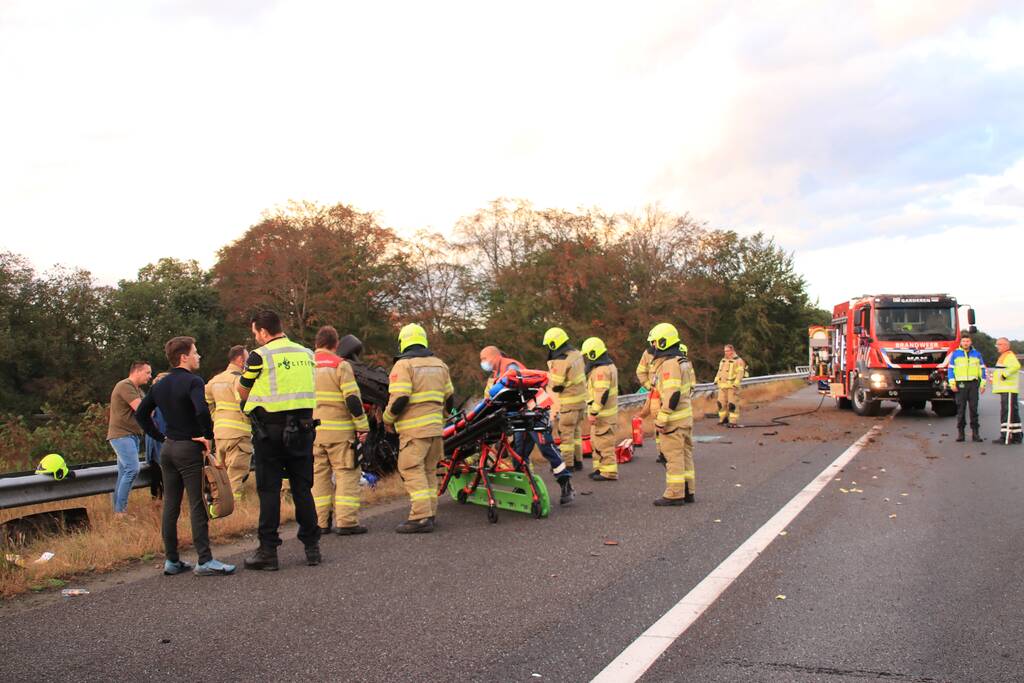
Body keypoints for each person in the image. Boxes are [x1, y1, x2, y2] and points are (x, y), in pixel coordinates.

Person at [135, 337, 235, 576]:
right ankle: (205, 560)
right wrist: (207, 435)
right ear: (184, 357)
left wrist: (159, 437)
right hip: (189, 447)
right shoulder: (193, 381)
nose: (198, 356)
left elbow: (141, 414)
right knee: (197, 502)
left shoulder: (160, 385)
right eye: (195, 352)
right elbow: (201, 410)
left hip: (168, 449)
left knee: (171, 504)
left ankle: (172, 560)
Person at [238, 310, 322, 570]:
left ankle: (268, 552)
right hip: (303, 429)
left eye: (255, 333)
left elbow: (242, 389)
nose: (256, 338)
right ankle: (312, 548)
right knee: (302, 489)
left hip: (270, 432)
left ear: (263, 332)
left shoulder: (259, 356)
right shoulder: (307, 353)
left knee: (269, 490)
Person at [479, 345, 575, 504]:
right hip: (521, 416)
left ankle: (566, 484)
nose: (483, 362)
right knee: (519, 452)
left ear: (495, 356)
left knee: (546, 447)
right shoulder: (497, 373)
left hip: (535, 412)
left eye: (484, 358)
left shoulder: (511, 368)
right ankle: (523, 486)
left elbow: (513, 392)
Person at [384, 323, 453, 533]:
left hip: (414, 433)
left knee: (411, 470)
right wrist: (442, 418)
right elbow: (450, 399)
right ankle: (430, 513)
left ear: (403, 342)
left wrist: (388, 419)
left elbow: (401, 398)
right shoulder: (440, 365)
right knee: (429, 471)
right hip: (435, 431)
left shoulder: (403, 365)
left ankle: (420, 518)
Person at [313, 325, 370, 535]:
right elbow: (352, 400)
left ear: (317, 343)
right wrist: (362, 426)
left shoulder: (306, 365)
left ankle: (320, 522)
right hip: (340, 434)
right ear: (336, 344)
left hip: (314, 434)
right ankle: (346, 522)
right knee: (347, 473)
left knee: (319, 477)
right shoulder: (340, 365)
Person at [647, 323, 696, 506]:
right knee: (685, 456)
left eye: (655, 342)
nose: (653, 346)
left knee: (673, 458)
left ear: (663, 342)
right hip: (685, 418)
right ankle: (688, 491)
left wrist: (662, 418)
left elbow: (672, 393)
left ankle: (675, 494)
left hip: (673, 421)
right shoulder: (682, 361)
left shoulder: (669, 364)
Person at [205, 346, 253, 500]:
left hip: (220, 434)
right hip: (238, 434)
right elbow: (245, 404)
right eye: (247, 359)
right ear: (240, 360)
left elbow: (206, 401)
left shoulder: (215, 380)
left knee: (222, 477)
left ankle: (220, 506)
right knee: (236, 476)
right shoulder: (239, 379)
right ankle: (236, 508)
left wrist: (215, 416)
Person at [107, 360, 151, 514]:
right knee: (132, 469)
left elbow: (150, 411)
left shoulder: (138, 390)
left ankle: (117, 511)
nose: (149, 376)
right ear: (137, 371)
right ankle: (120, 512)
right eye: (147, 372)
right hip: (122, 435)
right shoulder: (125, 385)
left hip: (132, 435)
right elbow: (142, 409)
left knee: (124, 472)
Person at [543, 327, 588, 471]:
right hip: (581, 402)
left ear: (553, 344)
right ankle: (578, 461)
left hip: (569, 403)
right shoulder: (576, 354)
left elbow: (556, 384)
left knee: (566, 434)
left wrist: (547, 377)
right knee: (576, 432)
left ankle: (568, 465)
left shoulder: (561, 360)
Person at [581, 337, 619, 481]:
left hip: (603, 416)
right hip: (603, 415)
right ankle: (600, 469)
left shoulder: (601, 370)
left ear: (593, 354)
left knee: (605, 444)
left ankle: (609, 472)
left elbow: (602, 393)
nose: (587, 359)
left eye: (587, 355)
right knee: (597, 442)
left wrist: (593, 412)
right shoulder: (607, 366)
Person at [948, 334, 987, 442]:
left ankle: (975, 434)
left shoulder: (977, 354)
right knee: (961, 410)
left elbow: (982, 370)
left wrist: (983, 385)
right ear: (961, 342)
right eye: (964, 341)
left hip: (973, 384)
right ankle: (961, 434)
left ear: (971, 342)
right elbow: (951, 370)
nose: (965, 343)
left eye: (967, 341)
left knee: (974, 409)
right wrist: (952, 384)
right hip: (960, 384)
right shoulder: (955, 354)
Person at [144, 372, 170, 500]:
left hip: (153, 445)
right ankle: (160, 499)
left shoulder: (151, 401)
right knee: (164, 474)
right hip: (161, 444)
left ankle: (157, 499)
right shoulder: (164, 403)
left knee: (156, 475)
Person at [990, 337, 1021, 445]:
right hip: (1006, 389)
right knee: (1013, 413)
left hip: (1008, 389)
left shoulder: (1009, 356)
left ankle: (1006, 437)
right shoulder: (1004, 356)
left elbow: (1016, 366)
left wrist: (1004, 375)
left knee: (1007, 413)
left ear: (1006, 345)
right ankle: (1017, 436)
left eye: (999, 344)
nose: (997, 347)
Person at [714, 344, 747, 426]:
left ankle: (733, 421)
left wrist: (736, 383)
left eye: (727, 351)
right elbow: (719, 371)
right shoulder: (723, 360)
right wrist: (716, 379)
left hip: (732, 387)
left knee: (732, 404)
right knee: (721, 403)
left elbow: (740, 373)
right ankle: (723, 419)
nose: (726, 352)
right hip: (722, 386)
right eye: (725, 351)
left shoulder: (738, 361)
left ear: (732, 350)